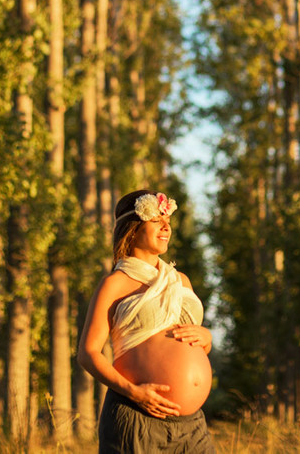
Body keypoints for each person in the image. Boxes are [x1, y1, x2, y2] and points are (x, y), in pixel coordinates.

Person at [77, 189, 216, 453]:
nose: (166, 227)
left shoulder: (180, 281)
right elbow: (88, 354)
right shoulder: (115, 284)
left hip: (192, 425)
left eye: (168, 221)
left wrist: (206, 338)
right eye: (156, 221)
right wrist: (134, 393)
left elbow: (192, 344)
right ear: (133, 229)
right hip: (137, 417)